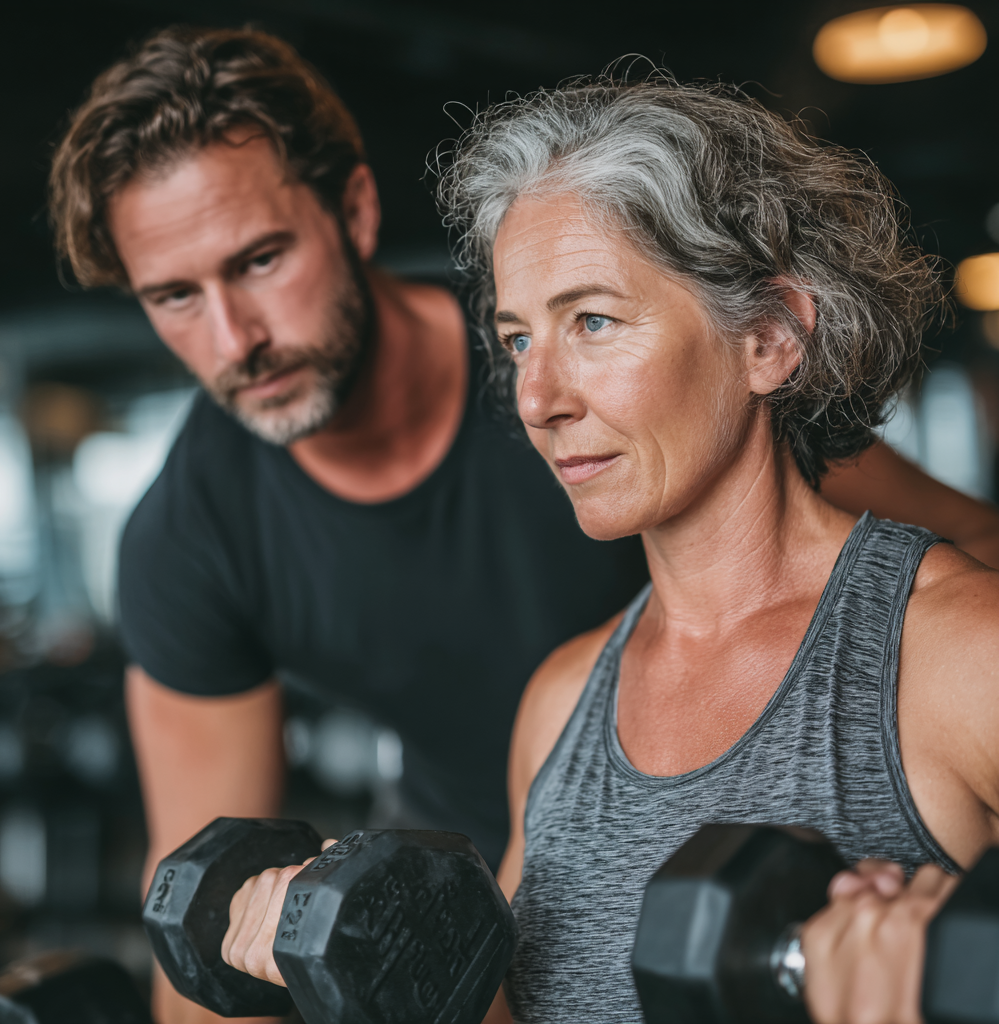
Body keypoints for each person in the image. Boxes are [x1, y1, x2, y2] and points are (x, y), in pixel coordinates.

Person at [48, 31, 998, 1024]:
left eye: (591, 322)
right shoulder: (556, 702)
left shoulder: (956, 653)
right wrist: (351, 975)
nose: (536, 396)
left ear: (769, 336)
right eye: (515, 340)